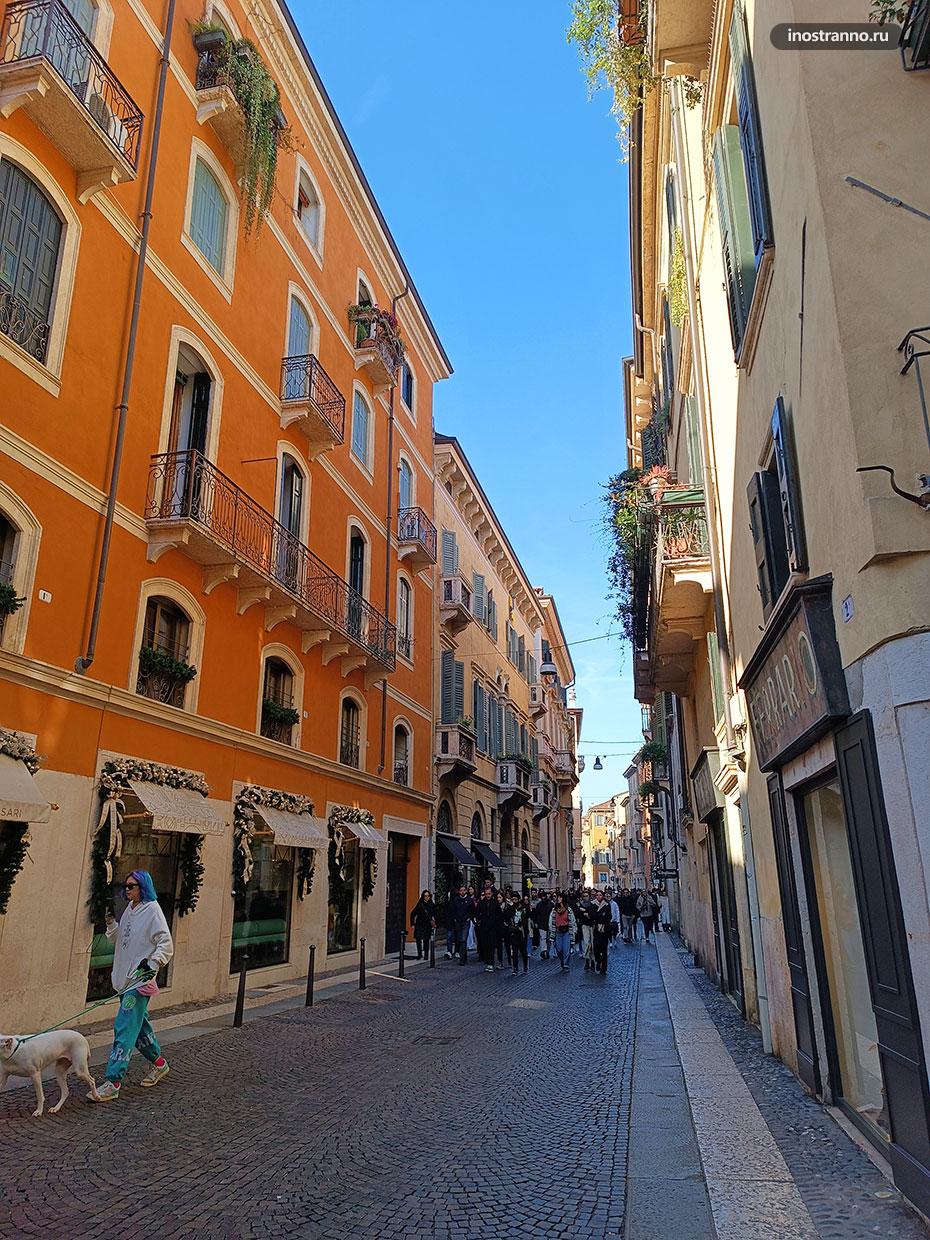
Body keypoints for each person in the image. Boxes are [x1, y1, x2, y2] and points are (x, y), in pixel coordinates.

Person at [90, 871, 173, 1103]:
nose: (126, 890)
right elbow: (121, 941)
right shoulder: (130, 909)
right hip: (124, 980)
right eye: (124, 886)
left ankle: (113, 1081)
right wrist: (111, 923)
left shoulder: (152, 910)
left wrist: (152, 964)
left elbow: (166, 943)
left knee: (124, 1028)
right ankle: (159, 1063)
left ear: (142, 886)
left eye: (131, 886)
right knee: (139, 1028)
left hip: (139, 981)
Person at [474, 888, 501, 973]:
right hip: (484, 927)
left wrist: (495, 923)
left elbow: (498, 914)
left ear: (491, 894)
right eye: (486, 894)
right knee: (485, 945)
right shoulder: (481, 903)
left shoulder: (495, 903)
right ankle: (488, 962)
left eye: (489, 894)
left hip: (493, 928)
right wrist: (480, 919)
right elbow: (477, 913)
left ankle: (491, 963)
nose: (488, 895)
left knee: (491, 945)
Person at [548, 895, 577, 971]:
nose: (558, 899)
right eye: (558, 897)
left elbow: (572, 920)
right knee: (559, 949)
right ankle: (562, 961)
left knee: (566, 949)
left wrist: (574, 930)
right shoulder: (554, 910)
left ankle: (566, 964)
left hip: (566, 931)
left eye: (560, 897)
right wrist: (551, 929)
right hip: (558, 931)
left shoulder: (569, 910)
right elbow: (551, 921)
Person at [590, 890, 613, 975]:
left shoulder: (606, 904)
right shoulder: (593, 904)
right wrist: (601, 915)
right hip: (596, 928)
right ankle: (598, 960)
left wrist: (598, 916)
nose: (598, 896)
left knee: (604, 949)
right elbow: (592, 915)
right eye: (597, 895)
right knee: (596, 947)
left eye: (600, 895)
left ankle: (604, 968)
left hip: (605, 929)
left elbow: (608, 916)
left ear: (603, 896)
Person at [410, 890, 436, 960]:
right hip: (419, 924)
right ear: (423, 896)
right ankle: (419, 954)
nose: (427, 897)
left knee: (426, 940)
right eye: (425, 896)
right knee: (418, 939)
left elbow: (435, 914)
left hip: (427, 925)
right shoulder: (420, 904)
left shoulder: (432, 905)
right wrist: (412, 924)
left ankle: (426, 955)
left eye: (428, 896)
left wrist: (435, 923)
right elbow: (413, 913)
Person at [449, 884, 472, 965]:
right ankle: (464, 956)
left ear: (466, 891)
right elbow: (453, 910)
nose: (462, 892)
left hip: (466, 921)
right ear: (459, 891)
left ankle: (462, 959)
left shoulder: (469, 900)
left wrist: (469, 917)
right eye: (461, 890)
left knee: (463, 939)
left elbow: (472, 910)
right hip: (458, 922)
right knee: (459, 939)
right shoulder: (456, 900)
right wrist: (455, 919)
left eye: (464, 890)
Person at [507, 895, 529, 975]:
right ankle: (515, 968)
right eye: (513, 899)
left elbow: (526, 919)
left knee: (523, 951)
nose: (514, 901)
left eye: (515, 899)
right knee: (514, 951)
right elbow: (508, 918)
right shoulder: (510, 909)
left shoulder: (523, 909)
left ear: (519, 899)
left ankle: (525, 966)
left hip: (522, 933)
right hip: (514, 932)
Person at [533, 890, 553, 958]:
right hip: (542, 923)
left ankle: (546, 951)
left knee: (548, 939)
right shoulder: (539, 905)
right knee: (543, 938)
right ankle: (544, 951)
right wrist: (536, 922)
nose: (543, 898)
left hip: (548, 923)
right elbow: (536, 914)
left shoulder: (550, 904)